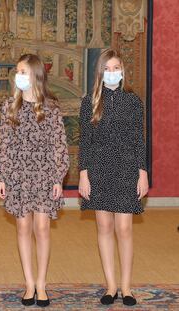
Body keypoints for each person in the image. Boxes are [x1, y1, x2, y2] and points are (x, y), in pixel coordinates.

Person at [0, 54, 69, 307]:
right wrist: (2, 177)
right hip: (18, 176)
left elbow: (59, 145)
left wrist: (58, 178)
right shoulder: (9, 107)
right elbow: (4, 144)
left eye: (24, 71)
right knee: (23, 228)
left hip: (44, 176)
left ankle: (41, 283)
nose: (19, 75)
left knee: (42, 228)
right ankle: (28, 284)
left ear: (36, 75)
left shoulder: (51, 108)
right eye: (18, 71)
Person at [78, 49, 148, 306]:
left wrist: (143, 172)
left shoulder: (132, 101)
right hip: (98, 169)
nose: (112, 73)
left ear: (123, 71)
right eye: (106, 69)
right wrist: (84, 174)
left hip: (127, 169)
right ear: (100, 73)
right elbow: (85, 141)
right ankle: (111, 286)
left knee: (124, 228)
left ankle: (127, 288)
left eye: (115, 68)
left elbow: (139, 139)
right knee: (104, 227)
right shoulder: (90, 101)